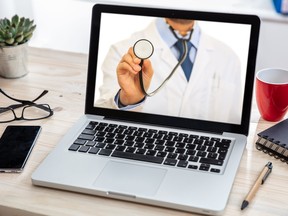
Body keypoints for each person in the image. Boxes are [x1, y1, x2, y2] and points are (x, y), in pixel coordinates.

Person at [96, 18, 242, 124]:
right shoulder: (122, 52)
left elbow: (234, 123)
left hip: (205, 153)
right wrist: (128, 100)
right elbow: (100, 120)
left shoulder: (228, 57)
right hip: (143, 146)